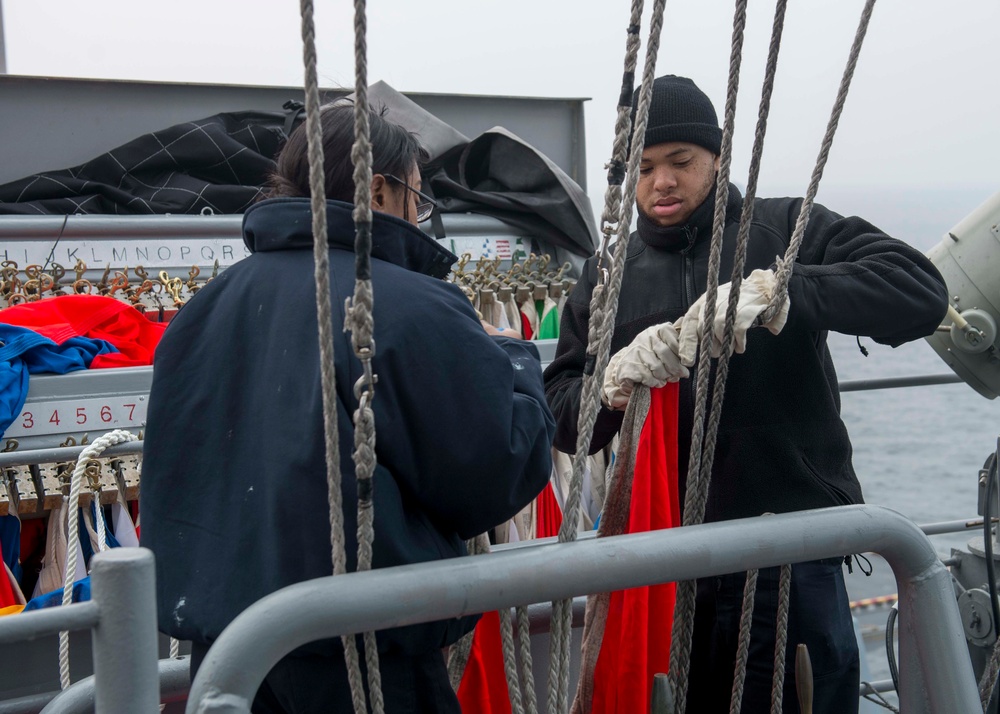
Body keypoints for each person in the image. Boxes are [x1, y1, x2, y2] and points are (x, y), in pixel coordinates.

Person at [543, 75, 948, 713]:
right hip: (660, 567)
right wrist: (612, 387)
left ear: (718, 159)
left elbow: (918, 291)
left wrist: (783, 292)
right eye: (644, 168)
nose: (662, 183)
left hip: (790, 558)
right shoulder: (605, 278)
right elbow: (560, 413)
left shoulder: (786, 230)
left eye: (681, 162)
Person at [140, 104, 555, 713]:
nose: (422, 214)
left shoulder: (201, 312)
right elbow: (497, 468)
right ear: (382, 190)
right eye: (420, 194)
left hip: (228, 664)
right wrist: (516, 361)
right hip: (364, 661)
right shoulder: (408, 306)